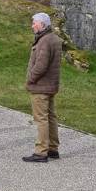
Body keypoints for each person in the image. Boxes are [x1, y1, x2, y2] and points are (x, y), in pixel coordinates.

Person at [23, 12, 62, 163]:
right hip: (51, 85)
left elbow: (41, 65)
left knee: (41, 119)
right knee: (51, 117)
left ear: (42, 25)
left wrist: (30, 80)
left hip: (40, 87)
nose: (32, 26)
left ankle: (41, 151)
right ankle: (53, 148)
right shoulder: (54, 39)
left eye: (34, 23)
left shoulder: (44, 41)